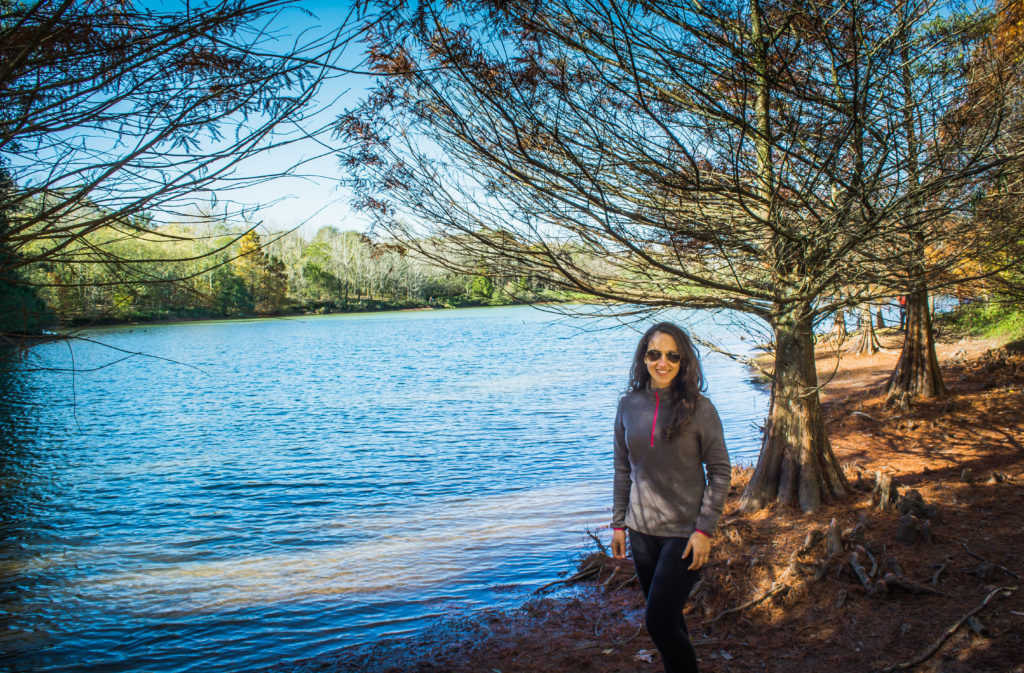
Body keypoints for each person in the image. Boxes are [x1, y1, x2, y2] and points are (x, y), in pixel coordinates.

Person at [611, 322, 732, 673]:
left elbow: (721, 472)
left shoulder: (700, 409)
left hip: (684, 534)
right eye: (654, 354)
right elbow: (622, 470)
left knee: (658, 623)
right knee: (669, 619)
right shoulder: (628, 405)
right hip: (641, 531)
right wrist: (619, 524)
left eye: (672, 355)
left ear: (683, 361)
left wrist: (704, 530)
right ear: (643, 358)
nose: (662, 362)